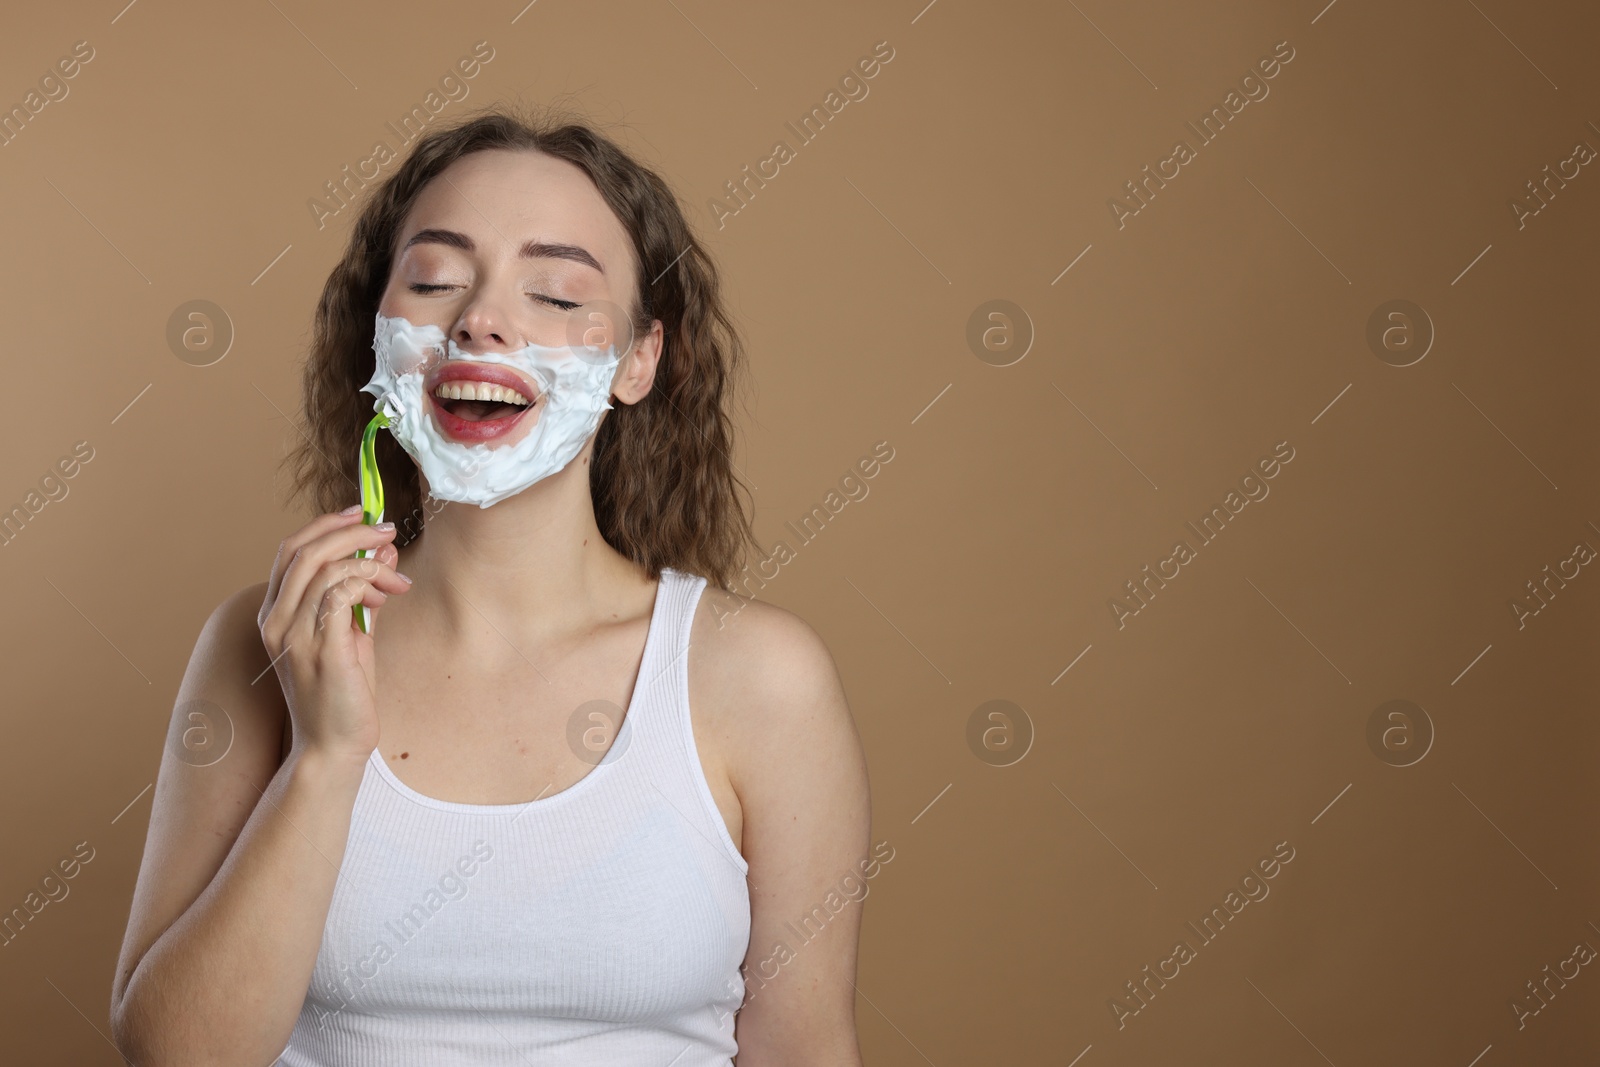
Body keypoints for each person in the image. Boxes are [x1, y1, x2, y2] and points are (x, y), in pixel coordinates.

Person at [109, 105, 872, 1066]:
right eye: (433, 280)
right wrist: (325, 758)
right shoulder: (267, 640)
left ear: (638, 360)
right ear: (378, 335)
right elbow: (174, 1054)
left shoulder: (761, 678)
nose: (480, 320)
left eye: (555, 295)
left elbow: (804, 1048)